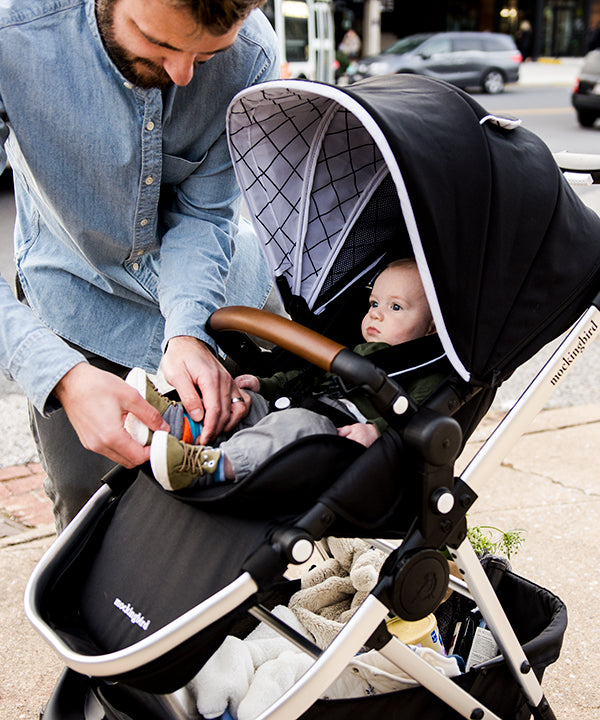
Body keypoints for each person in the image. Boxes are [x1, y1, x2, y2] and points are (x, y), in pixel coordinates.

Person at [0, 0, 280, 531]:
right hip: (71, 300)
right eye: (163, 44)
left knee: (233, 504)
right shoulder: (12, 35)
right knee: (89, 509)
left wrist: (189, 332)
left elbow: (206, 213)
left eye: (207, 55)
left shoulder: (252, 55)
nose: (182, 74)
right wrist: (58, 376)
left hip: (217, 296)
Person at [124, 259, 442, 490]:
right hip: (299, 405)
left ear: (430, 328)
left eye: (396, 307)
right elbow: (306, 375)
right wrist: (263, 384)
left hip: (334, 437)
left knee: (299, 425)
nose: (376, 312)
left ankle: (208, 466)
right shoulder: (357, 350)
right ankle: (170, 423)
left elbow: (417, 418)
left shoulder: (427, 372)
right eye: (374, 302)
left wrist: (377, 431)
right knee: (244, 402)